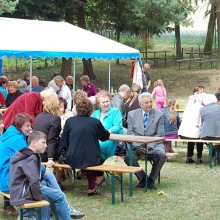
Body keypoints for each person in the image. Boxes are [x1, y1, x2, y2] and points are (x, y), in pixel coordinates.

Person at [10, 131, 85, 220]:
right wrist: (39, 197)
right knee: (60, 196)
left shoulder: (25, 154)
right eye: (43, 142)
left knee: (46, 186)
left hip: (20, 190)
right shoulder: (31, 157)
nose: (46, 145)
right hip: (24, 192)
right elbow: (34, 181)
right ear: (34, 143)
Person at [59, 99, 110, 195]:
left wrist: (60, 154)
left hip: (72, 157)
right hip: (92, 158)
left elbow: (63, 140)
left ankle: (82, 173)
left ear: (77, 109)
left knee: (86, 159)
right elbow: (105, 137)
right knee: (92, 160)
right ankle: (91, 187)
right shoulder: (95, 122)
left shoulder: (70, 121)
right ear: (91, 109)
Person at [124, 92, 166, 190]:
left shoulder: (159, 115)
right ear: (140, 104)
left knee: (161, 154)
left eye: (151, 102)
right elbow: (130, 133)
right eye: (146, 102)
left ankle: (151, 179)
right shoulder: (132, 114)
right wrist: (138, 146)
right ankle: (143, 179)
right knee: (128, 157)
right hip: (136, 144)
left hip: (154, 143)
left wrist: (150, 146)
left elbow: (159, 134)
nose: (149, 104)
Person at [0, 113, 33, 216]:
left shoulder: (7, 135)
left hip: (4, 178)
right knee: (45, 178)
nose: (30, 128)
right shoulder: (17, 140)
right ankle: (60, 205)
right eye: (27, 125)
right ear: (19, 126)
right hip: (8, 182)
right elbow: (30, 162)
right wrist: (43, 170)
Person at [91, 90, 123, 160]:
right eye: (103, 102)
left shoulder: (115, 112)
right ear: (99, 104)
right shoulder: (95, 114)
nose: (106, 104)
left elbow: (118, 126)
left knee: (93, 150)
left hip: (109, 141)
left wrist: (107, 132)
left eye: (107, 101)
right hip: (96, 141)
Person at [178, 88, 205, 164]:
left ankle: (189, 157)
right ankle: (199, 157)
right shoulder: (201, 107)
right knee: (200, 136)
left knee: (192, 135)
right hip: (192, 133)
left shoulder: (188, 105)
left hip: (183, 133)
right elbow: (201, 123)